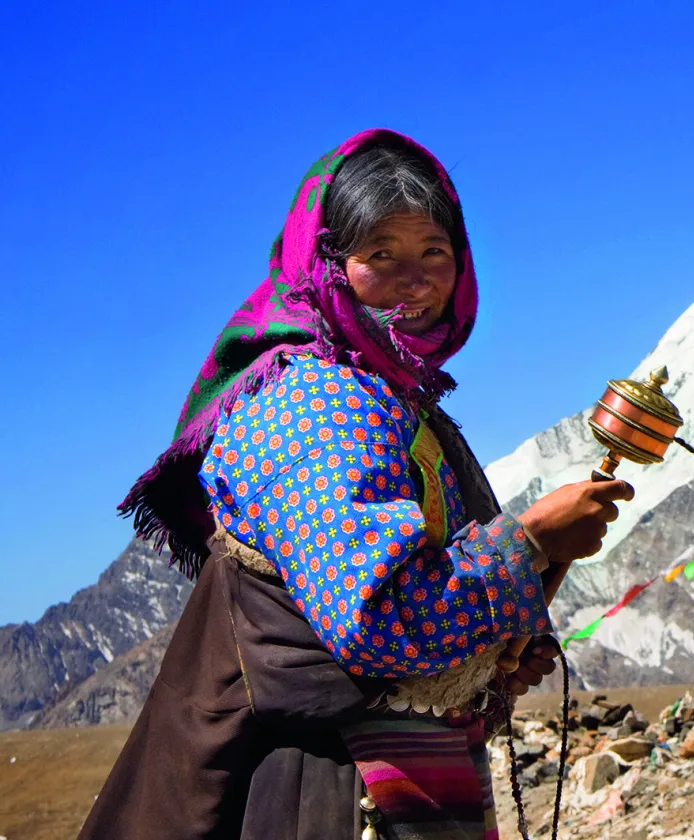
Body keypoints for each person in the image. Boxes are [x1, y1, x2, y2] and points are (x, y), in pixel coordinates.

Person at [79, 128, 630, 840]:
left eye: (434, 251)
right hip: (319, 791)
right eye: (380, 256)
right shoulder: (313, 400)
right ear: (327, 264)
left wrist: (493, 653)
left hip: (387, 774)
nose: (417, 280)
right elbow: (380, 618)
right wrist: (527, 542)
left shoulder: (395, 397)